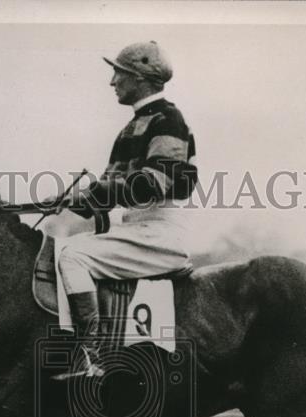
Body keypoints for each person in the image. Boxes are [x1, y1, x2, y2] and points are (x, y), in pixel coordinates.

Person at [53, 41, 198, 379]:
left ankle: (91, 354)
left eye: (118, 73)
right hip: (138, 228)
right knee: (68, 247)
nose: (113, 81)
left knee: (73, 255)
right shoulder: (133, 125)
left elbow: (154, 182)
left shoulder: (168, 120)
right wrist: (75, 200)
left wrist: (97, 193)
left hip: (159, 233)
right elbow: (109, 193)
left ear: (139, 77)